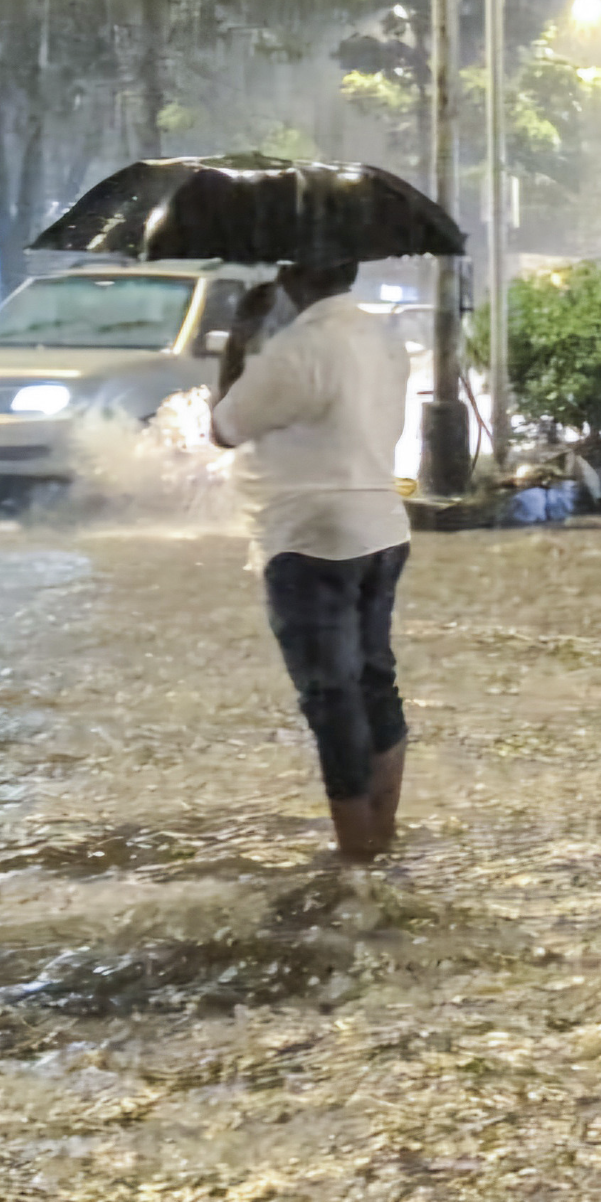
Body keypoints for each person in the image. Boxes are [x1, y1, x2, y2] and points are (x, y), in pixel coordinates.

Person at [210, 258, 418, 865]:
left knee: (332, 698)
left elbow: (224, 426)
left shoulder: (299, 349)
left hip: (311, 537)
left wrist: (240, 340)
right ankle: (382, 833)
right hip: (381, 526)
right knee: (375, 682)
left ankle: (355, 856)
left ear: (293, 279)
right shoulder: (385, 340)